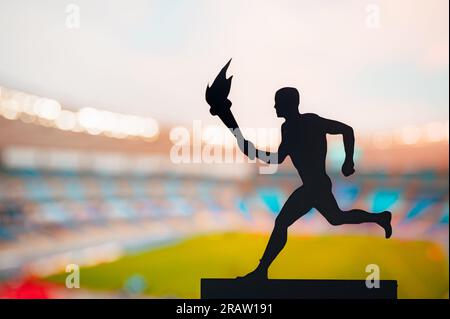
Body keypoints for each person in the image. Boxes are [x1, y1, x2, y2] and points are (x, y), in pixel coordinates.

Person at [236, 87, 392, 280]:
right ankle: (380, 218)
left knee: (282, 223)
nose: (275, 106)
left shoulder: (311, 121)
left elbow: (346, 130)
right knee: (336, 218)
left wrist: (348, 160)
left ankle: (261, 271)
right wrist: (252, 150)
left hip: (314, 186)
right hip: (315, 186)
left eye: (278, 102)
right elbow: (278, 158)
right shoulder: (287, 128)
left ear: (288, 104)